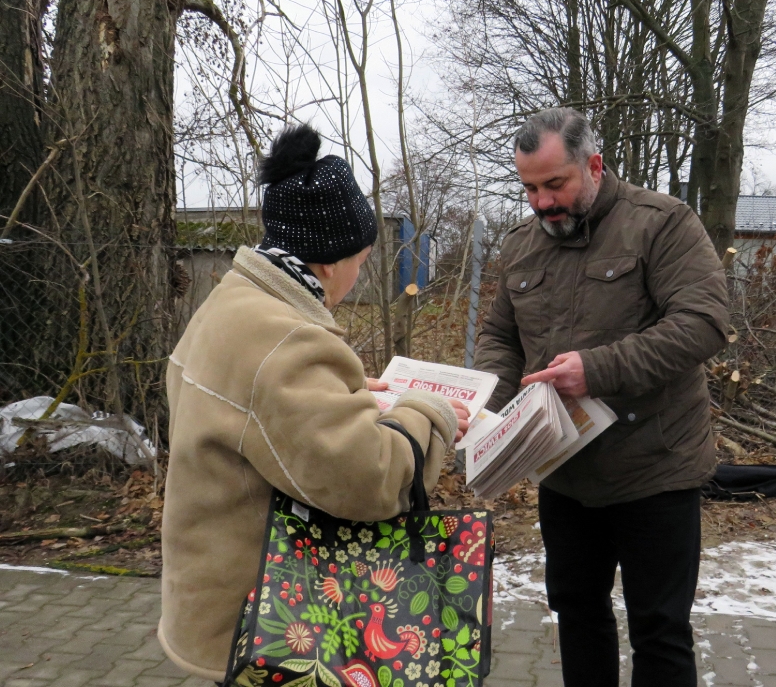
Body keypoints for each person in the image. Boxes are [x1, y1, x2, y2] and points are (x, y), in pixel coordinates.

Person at [158, 124, 469, 684]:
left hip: (213, 596)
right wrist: (427, 413)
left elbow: (254, 415)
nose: (359, 272)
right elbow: (368, 478)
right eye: (361, 259)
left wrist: (338, 395)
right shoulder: (286, 340)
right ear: (328, 263)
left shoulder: (234, 301)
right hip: (267, 622)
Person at [474, 107, 729, 686]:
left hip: (655, 468)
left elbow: (703, 322)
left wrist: (598, 369)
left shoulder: (662, 223)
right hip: (565, 471)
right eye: (529, 188)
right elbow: (500, 337)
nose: (542, 202)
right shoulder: (521, 245)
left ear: (594, 166)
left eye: (554, 184)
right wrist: (488, 406)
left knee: (659, 629)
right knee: (578, 614)